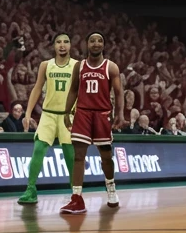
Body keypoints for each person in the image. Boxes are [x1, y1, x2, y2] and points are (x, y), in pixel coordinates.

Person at [61, 32, 124, 215]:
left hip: (102, 114)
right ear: (86, 44)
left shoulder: (111, 67)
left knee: (106, 155)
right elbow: (73, 89)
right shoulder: (79, 66)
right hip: (83, 112)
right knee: (79, 155)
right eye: (92, 40)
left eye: (99, 41)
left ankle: (110, 186)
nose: (96, 43)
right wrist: (67, 112)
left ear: (103, 45)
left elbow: (119, 93)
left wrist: (119, 114)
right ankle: (77, 198)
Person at [18, 32, 77, 206]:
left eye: (66, 41)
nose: (62, 45)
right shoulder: (46, 65)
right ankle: (31, 189)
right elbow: (37, 88)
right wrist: (28, 113)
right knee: (38, 149)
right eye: (58, 41)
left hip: (69, 115)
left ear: (70, 45)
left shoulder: (77, 66)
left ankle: (76, 192)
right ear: (54, 46)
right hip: (49, 114)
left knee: (70, 156)